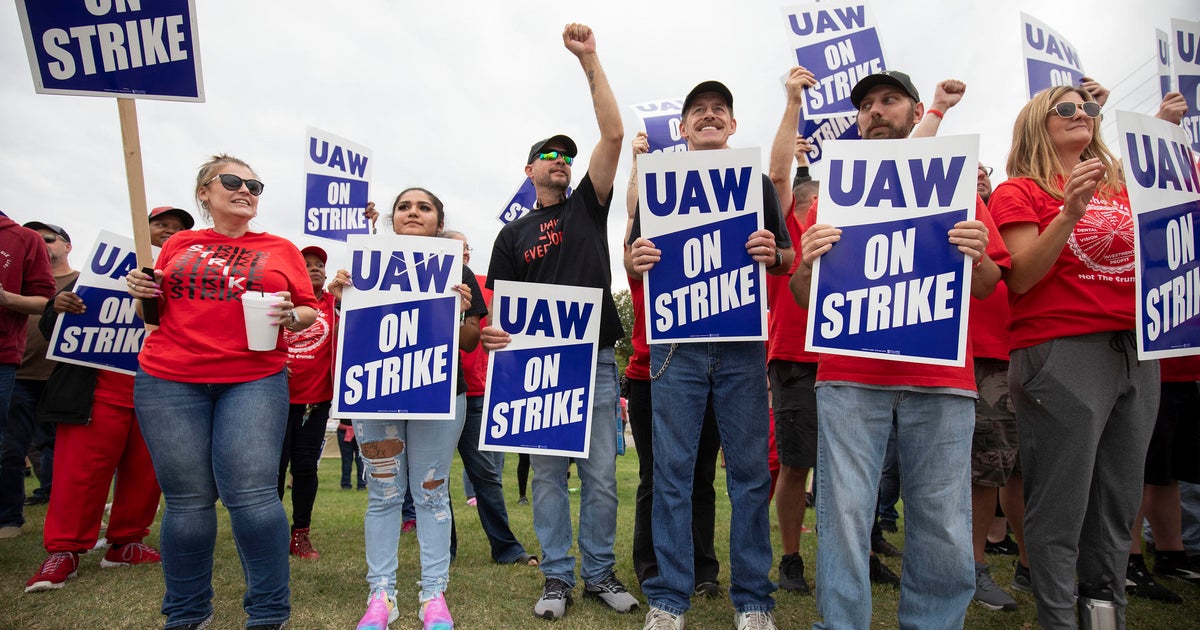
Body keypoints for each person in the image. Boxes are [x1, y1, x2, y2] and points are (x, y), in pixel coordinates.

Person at [789, 68, 1007, 629]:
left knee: (941, 519)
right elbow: (802, 294)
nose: (876, 111)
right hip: (849, 376)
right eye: (865, 105)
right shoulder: (836, 188)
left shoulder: (954, 183)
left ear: (913, 113)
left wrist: (978, 252)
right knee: (843, 515)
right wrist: (807, 260)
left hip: (940, 379)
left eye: (889, 101)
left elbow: (987, 286)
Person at [628, 77, 795, 630]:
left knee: (748, 474)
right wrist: (637, 259)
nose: (708, 115)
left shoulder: (756, 182)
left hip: (743, 345)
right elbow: (631, 260)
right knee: (672, 475)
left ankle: (752, 601)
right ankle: (669, 599)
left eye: (718, 109)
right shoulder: (658, 183)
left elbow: (788, 255)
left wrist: (774, 253)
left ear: (732, 124)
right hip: (676, 347)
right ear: (682, 128)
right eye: (698, 110)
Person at [482, 22, 635, 622]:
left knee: (600, 477)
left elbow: (614, 133)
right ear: (528, 170)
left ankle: (598, 573)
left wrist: (589, 60)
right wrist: (494, 334)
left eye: (566, 158)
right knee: (546, 478)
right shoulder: (511, 235)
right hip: (531, 369)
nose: (560, 162)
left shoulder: (587, 207)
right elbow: (498, 308)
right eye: (549, 156)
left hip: (593, 360)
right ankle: (556, 578)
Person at [988, 84, 1157, 628]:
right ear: (1039, 121)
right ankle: (1059, 619)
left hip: (1136, 350)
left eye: (1088, 109)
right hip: (1061, 353)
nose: (1080, 114)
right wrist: (1068, 212)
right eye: (1065, 108)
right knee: (1062, 505)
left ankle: (1107, 615)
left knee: (1117, 502)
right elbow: (1023, 277)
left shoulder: (1122, 187)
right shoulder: (1018, 190)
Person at [127, 155, 318, 630]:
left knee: (253, 499)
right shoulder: (178, 244)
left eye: (255, 184)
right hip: (170, 377)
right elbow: (153, 313)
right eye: (232, 181)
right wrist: (140, 291)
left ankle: (269, 613)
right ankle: (187, 614)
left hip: (253, 377)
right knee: (187, 503)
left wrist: (290, 318)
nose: (246, 190)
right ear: (205, 193)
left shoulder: (281, 249)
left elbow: (308, 311)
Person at [25, 207, 193, 592]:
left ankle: (126, 543)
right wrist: (57, 307)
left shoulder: (189, 279)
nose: (168, 232)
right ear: (141, 229)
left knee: (147, 474)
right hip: (97, 393)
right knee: (80, 474)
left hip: (157, 393)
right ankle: (64, 551)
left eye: (178, 229)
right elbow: (56, 327)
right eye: (160, 226)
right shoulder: (102, 270)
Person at [340, 187, 485, 630]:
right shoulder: (365, 266)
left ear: (439, 222)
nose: (413, 213)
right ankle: (381, 595)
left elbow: (472, 341)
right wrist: (340, 291)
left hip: (440, 394)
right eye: (404, 206)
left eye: (424, 207)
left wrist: (461, 313)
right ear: (392, 218)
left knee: (431, 493)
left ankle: (433, 596)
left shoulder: (457, 271)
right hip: (377, 393)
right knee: (383, 495)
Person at [623, 131, 724, 598]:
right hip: (649, 375)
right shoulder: (645, 255)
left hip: (710, 373)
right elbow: (632, 215)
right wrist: (637, 164)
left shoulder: (719, 254)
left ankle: (703, 568)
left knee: (701, 475)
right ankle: (653, 565)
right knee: (656, 476)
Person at [443, 228, 537, 566]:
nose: (461, 253)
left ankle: (506, 547)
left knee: (486, 474)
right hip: (437, 391)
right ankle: (443, 549)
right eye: (453, 248)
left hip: (478, 392)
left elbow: (515, 307)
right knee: (434, 476)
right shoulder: (420, 280)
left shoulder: (482, 282)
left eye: (465, 247)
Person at [765, 124, 822, 596]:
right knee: (796, 463)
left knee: (849, 466)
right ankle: (790, 558)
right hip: (794, 357)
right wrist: (792, 103)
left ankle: (860, 551)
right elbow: (778, 175)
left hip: (848, 358)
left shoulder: (840, 226)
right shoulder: (788, 229)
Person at [0, 222, 68, 539]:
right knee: (14, 446)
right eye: (38, 238)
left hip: (59, 376)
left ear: (68, 246)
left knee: (61, 445)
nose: (42, 242)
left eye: (50, 238)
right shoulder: (17, 275)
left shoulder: (81, 281)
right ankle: (11, 515)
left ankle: (61, 502)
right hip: (21, 373)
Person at [277, 245, 338, 560]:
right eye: (307, 264)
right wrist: (271, 363)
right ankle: (270, 534)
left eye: (319, 265)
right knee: (275, 468)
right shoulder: (279, 300)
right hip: (275, 398)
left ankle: (300, 534)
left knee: (304, 468)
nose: (315, 268)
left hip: (315, 402)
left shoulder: (334, 304)